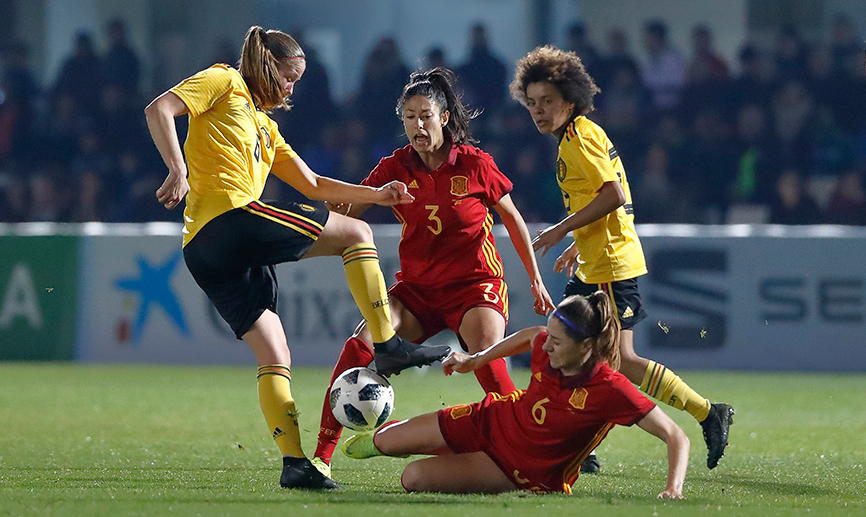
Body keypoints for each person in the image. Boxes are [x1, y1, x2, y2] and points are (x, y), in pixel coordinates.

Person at [144, 26, 450, 490]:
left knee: (275, 353)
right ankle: (388, 345)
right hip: (231, 219)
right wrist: (177, 167)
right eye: (289, 77)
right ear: (266, 65)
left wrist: (377, 194)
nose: (291, 89)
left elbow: (313, 184)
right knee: (357, 234)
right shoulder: (224, 80)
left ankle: (294, 464)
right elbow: (160, 108)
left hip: (204, 251)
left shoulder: (267, 129)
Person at [312, 67, 556, 476]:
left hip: (474, 287)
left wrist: (535, 278)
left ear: (443, 117)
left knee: (485, 357)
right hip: (417, 293)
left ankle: (529, 446)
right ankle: (320, 458)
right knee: (359, 346)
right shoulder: (395, 166)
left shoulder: (475, 164)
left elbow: (512, 219)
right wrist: (344, 204)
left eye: (425, 116)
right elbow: (351, 210)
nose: (418, 125)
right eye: (409, 117)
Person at [509, 45, 734, 472]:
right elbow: (610, 198)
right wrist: (579, 243)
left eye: (547, 101)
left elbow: (612, 194)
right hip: (596, 260)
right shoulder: (576, 137)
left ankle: (707, 413)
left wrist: (561, 230)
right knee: (572, 349)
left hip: (612, 265)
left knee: (618, 360)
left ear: (569, 101)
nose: (538, 110)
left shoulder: (579, 138)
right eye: (532, 102)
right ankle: (581, 446)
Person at [340, 293, 690, 498]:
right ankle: (406, 443)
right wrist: (474, 359)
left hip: (516, 468)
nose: (547, 346)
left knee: (412, 478)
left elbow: (676, 436)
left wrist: (673, 489)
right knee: (384, 441)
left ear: (586, 347)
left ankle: (454, 456)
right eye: (550, 336)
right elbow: (531, 335)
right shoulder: (548, 347)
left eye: (557, 342)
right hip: (492, 419)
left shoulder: (611, 389)